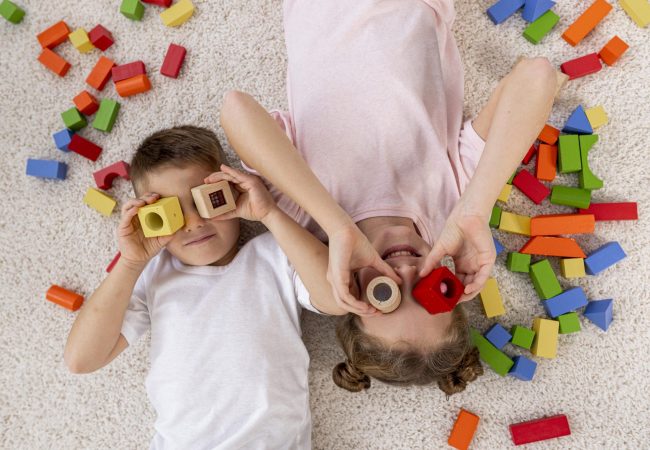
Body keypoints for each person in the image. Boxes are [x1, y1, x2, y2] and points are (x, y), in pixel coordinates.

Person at [219, 0, 559, 395]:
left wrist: (338, 225)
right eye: (431, 290)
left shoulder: (306, 209)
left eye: (386, 294)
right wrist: (475, 210)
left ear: (349, 291)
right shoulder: (454, 203)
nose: (407, 272)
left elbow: (236, 108)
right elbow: (537, 75)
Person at [64, 126, 345, 449]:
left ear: (233, 191)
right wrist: (130, 263)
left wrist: (269, 213)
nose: (194, 223)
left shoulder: (274, 254)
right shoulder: (155, 274)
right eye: (171, 213)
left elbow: (336, 298)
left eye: (208, 201)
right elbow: (81, 360)